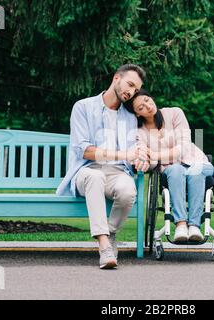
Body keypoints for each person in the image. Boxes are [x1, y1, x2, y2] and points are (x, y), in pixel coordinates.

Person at [56, 64, 148, 269]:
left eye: (135, 89)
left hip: (117, 172)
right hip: (86, 170)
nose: (131, 92)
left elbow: (133, 150)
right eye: (130, 84)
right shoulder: (83, 107)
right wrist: (124, 154)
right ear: (116, 78)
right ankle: (105, 246)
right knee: (95, 177)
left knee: (127, 191)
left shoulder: (129, 116)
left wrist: (140, 158)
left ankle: (110, 231)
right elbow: (84, 150)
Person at [124, 89, 214, 242]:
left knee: (195, 171)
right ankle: (180, 225)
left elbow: (183, 148)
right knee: (175, 169)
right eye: (141, 108)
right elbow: (149, 161)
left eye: (147, 100)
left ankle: (194, 226)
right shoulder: (140, 132)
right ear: (137, 114)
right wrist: (144, 161)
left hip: (197, 161)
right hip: (172, 171)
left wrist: (154, 154)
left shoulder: (174, 113)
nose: (147, 105)